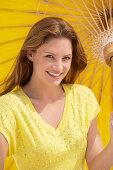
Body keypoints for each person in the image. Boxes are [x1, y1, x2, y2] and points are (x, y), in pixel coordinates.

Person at [0, 17, 113, 170]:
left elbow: (96, 166)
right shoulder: (9, 109)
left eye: (66, 58)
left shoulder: (83, 98)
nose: (59, 68)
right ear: (30, 54)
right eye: (49, 56)